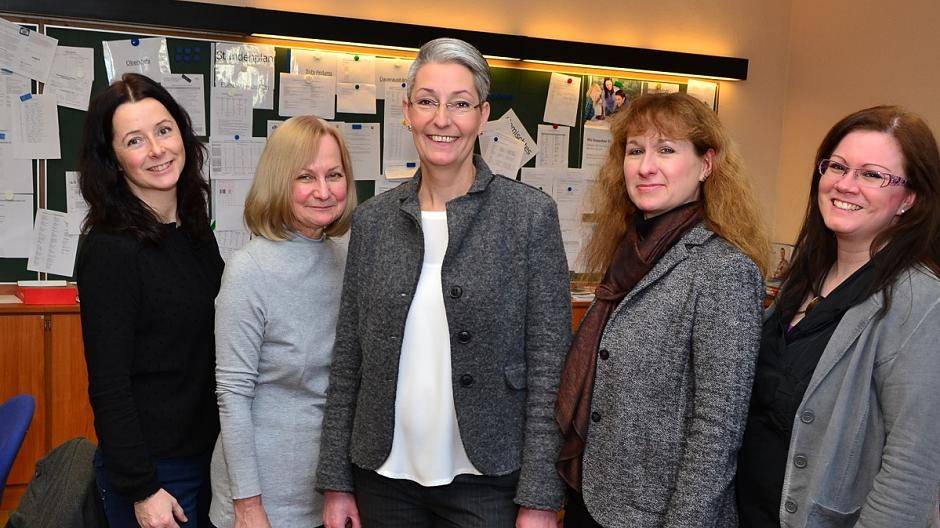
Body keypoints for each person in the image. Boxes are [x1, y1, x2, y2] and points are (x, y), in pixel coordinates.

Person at [316, 37, 572, 528]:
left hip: (488, 483)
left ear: (482, 114)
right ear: (407, 110)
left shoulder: (528, 216)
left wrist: (540, 497)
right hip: (383, 479)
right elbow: (348, 358)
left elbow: (549, 368)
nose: (442, 119)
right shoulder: (373, 221)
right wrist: (336, 482)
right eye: (428, 101)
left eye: (460, 104)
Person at [555, 92, 770, 528]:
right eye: (636, 150)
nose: (645, 166)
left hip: (659, 515)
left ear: (706, 164)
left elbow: (717, 427)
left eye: (666, 150)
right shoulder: (628, 254)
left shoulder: (724, 269)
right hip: (594, 497)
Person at [736, 106, 940, 527]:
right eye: (838, 167)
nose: (845, 184)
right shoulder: (803, 276)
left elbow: (912, 468)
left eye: (871, 175)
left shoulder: (922, 302)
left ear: (910, 198)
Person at [76, 73, 223, 528]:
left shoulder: (195, 230)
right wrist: (142, 488)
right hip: (157, 474)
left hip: (211, 457)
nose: (158, 150)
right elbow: (109, 383)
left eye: (163, 130)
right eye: (135, 140)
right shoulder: (110, 248)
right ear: (115, 160)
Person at [209, 116, 357, 527]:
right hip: (261, 498)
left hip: (328, 490)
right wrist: (248, 505)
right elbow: (233, 395)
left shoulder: (347, 262)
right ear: (279, 181)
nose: (324, 191)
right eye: (306, 177)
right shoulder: (248, 271)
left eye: (334, 175)